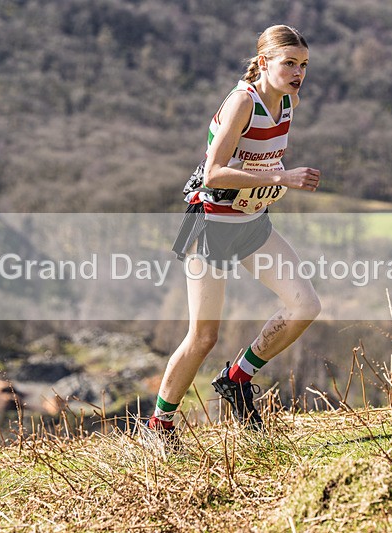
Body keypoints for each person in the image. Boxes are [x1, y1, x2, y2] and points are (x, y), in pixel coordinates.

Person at [145, 25, 322, 439]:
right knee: (203, 337)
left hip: (253, 224)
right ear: (263, 63)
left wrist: (270, 179)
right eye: (289, 63)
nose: (298, 73)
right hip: (210, 226)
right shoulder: (243, 102)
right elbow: (213, 173)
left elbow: (258, 159)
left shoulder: (289, 101)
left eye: (303, 65)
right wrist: (282, 178)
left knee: (305, 306)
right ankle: (158, 425)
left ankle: (237, 378)